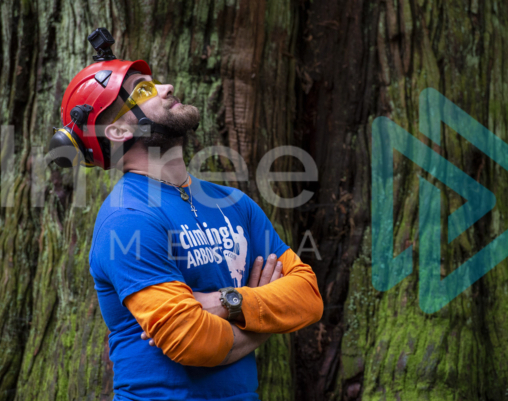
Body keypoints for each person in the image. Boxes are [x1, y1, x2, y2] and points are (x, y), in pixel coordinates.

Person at [52, 29, 323, 401]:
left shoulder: (235, 203)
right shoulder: (127, 219)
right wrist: (266, 315)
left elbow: (308, 296)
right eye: (144, 91)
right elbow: (192, 341)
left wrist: (229, 301)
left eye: (154, 83)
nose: (166, 88)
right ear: (115, 130)